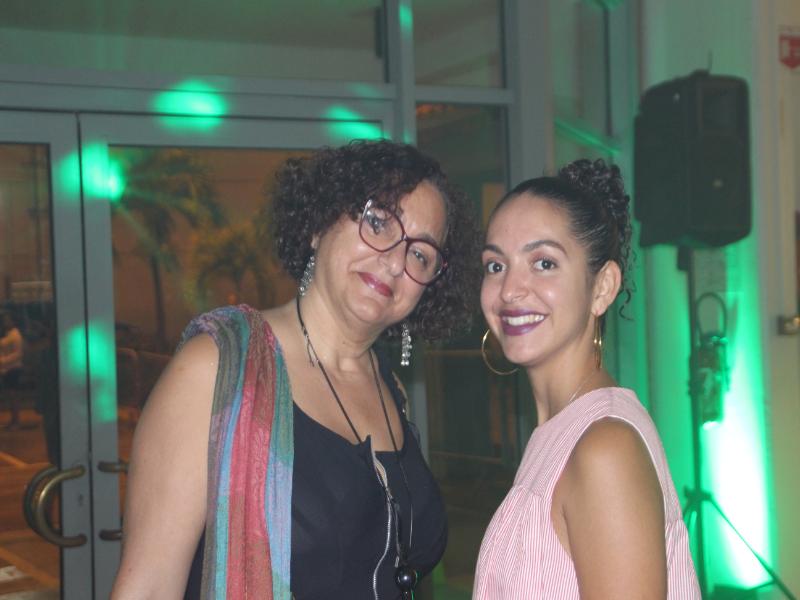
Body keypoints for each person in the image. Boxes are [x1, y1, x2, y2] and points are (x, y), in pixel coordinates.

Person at [111, 139, 481, 599]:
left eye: (420, 254)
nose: (393, 261)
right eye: (378, 222)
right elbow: (148, 587)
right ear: (319, 224)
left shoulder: (391, 391)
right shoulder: (216, 369)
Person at [473, 159, 699, 598]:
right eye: (495, 265)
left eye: (543, 263)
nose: (510, 289)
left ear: (602, 287)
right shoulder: (562, 432)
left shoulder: (605, 449)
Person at [0, 312, 24, 430]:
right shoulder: (8, 334)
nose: (5, 322)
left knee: (13, 396)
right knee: (11, 397)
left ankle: (16, 421)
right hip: (7, 368)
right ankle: (13, 420)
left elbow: (18, 354)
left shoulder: (16, 335)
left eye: (8, 319)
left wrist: (2, 360)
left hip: (13, 368)